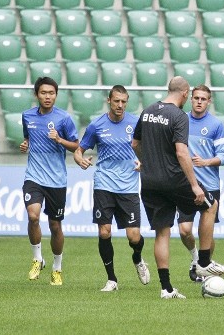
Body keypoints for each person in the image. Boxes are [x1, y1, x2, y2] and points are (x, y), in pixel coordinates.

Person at [132, 76, 224, 299]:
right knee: (210, 205)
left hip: (149, 182)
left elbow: (135, 144)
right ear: (185, 94)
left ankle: (166, 289)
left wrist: (147, 162)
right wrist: (195, 185)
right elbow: (181, 152)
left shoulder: (147, 111)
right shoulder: (178, 116)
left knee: (162, 234)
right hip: (173, 179)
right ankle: (203, 262)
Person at [74, 85, 150, 292]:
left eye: (124, 101)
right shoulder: (97, 125)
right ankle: (112, 279)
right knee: (104, 231)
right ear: (109, 100)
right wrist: (80, 160)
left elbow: (149, 149)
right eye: (116, 101)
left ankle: (138, 258)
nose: (120, 105)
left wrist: (144, 162)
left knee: (134, 236)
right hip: (104, 184)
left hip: (129, 186)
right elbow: (78, 151)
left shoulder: (136, 123)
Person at [20, 77, 79, 286]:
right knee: (33, 216)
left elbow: (76, 146)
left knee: (55, 225)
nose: (48, 97)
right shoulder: (27, 116)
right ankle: (37, 258)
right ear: (37, 94)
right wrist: (26, 143)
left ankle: (57, 267)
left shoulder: (64, 118)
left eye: (51, 93)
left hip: (56, 180)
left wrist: (60, 140)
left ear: (56, 95)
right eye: (44, 93)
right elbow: (28, 136)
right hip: (34, 176)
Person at [176, 85, 224, 282]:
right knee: (184, 230)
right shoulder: (181, 121)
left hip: (210, 184)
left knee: (207, 231)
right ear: (191, 99)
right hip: (186, 185)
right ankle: (196, 259)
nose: (199, 101)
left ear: (209, 101)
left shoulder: (215, 125)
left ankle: (205, 266)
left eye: (203, 99)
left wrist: (206, 161)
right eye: (196, 98)